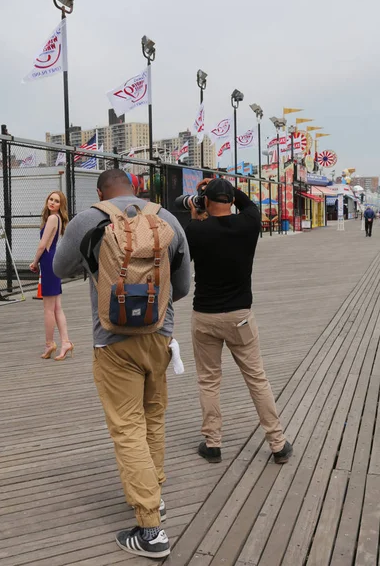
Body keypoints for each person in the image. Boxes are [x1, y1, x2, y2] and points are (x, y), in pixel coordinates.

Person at [53, 169, 190, 559]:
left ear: (100, 192)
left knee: (127, 428)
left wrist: (97, 269)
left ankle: (150, 530)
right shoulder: (168, 219)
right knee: (153, 420)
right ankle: (155, 495)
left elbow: (61, 269)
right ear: (136, 187)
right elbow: (182, 287)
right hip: (160, 336)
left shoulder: (89, 218)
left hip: (112, 339)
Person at [185, 178, 292, 465]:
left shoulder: (196, 230)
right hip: (240, 317)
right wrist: (228, 188)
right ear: (231, 201)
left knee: (209, 381)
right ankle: (278, 444)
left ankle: (213, 443)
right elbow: (249, 205)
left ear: (206, 202)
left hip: (205, 316)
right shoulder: (248, 224)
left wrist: (197, 215)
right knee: (257, 379)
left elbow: (186, 255)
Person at [29, 191, 73, 361]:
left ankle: (50, 344)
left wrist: (34, 262)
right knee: (56, 307)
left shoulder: (53, 218)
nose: (53, 202)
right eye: (51, 199)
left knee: (48, 309)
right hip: (52, 260)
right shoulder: (57, 219)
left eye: (57, 201)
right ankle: (65, 342)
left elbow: (42, 245)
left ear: (61, 205)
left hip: (48, 261)